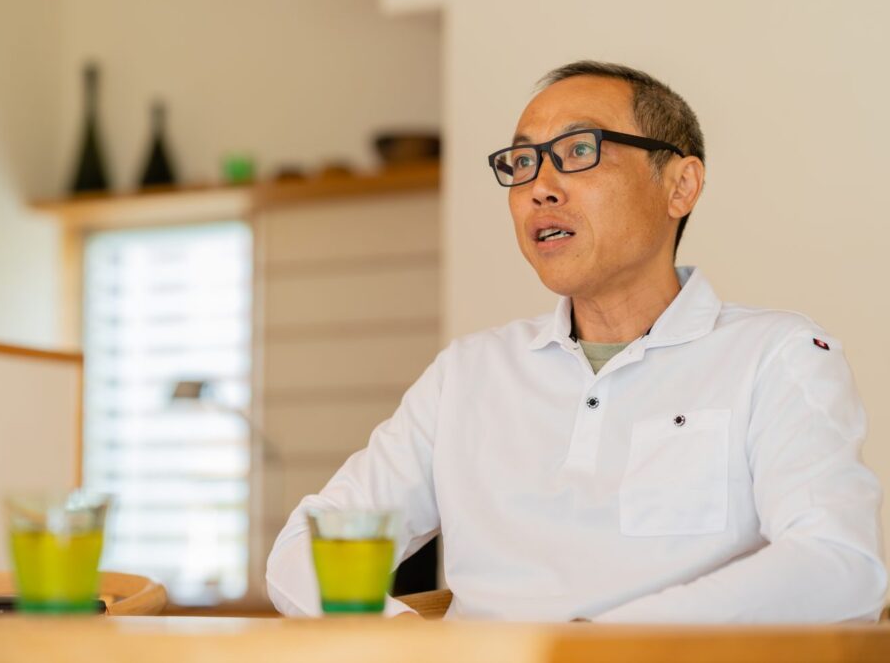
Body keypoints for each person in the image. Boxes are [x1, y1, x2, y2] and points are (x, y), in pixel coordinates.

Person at [265, 61, 887, 622]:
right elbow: (306, 549)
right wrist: (411, 644)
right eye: (522, 163)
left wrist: (598, 647)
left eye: (578, 150)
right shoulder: (469, 373)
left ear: (680, 186)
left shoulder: (776, 355)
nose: (540, 186)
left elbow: (839, 563)